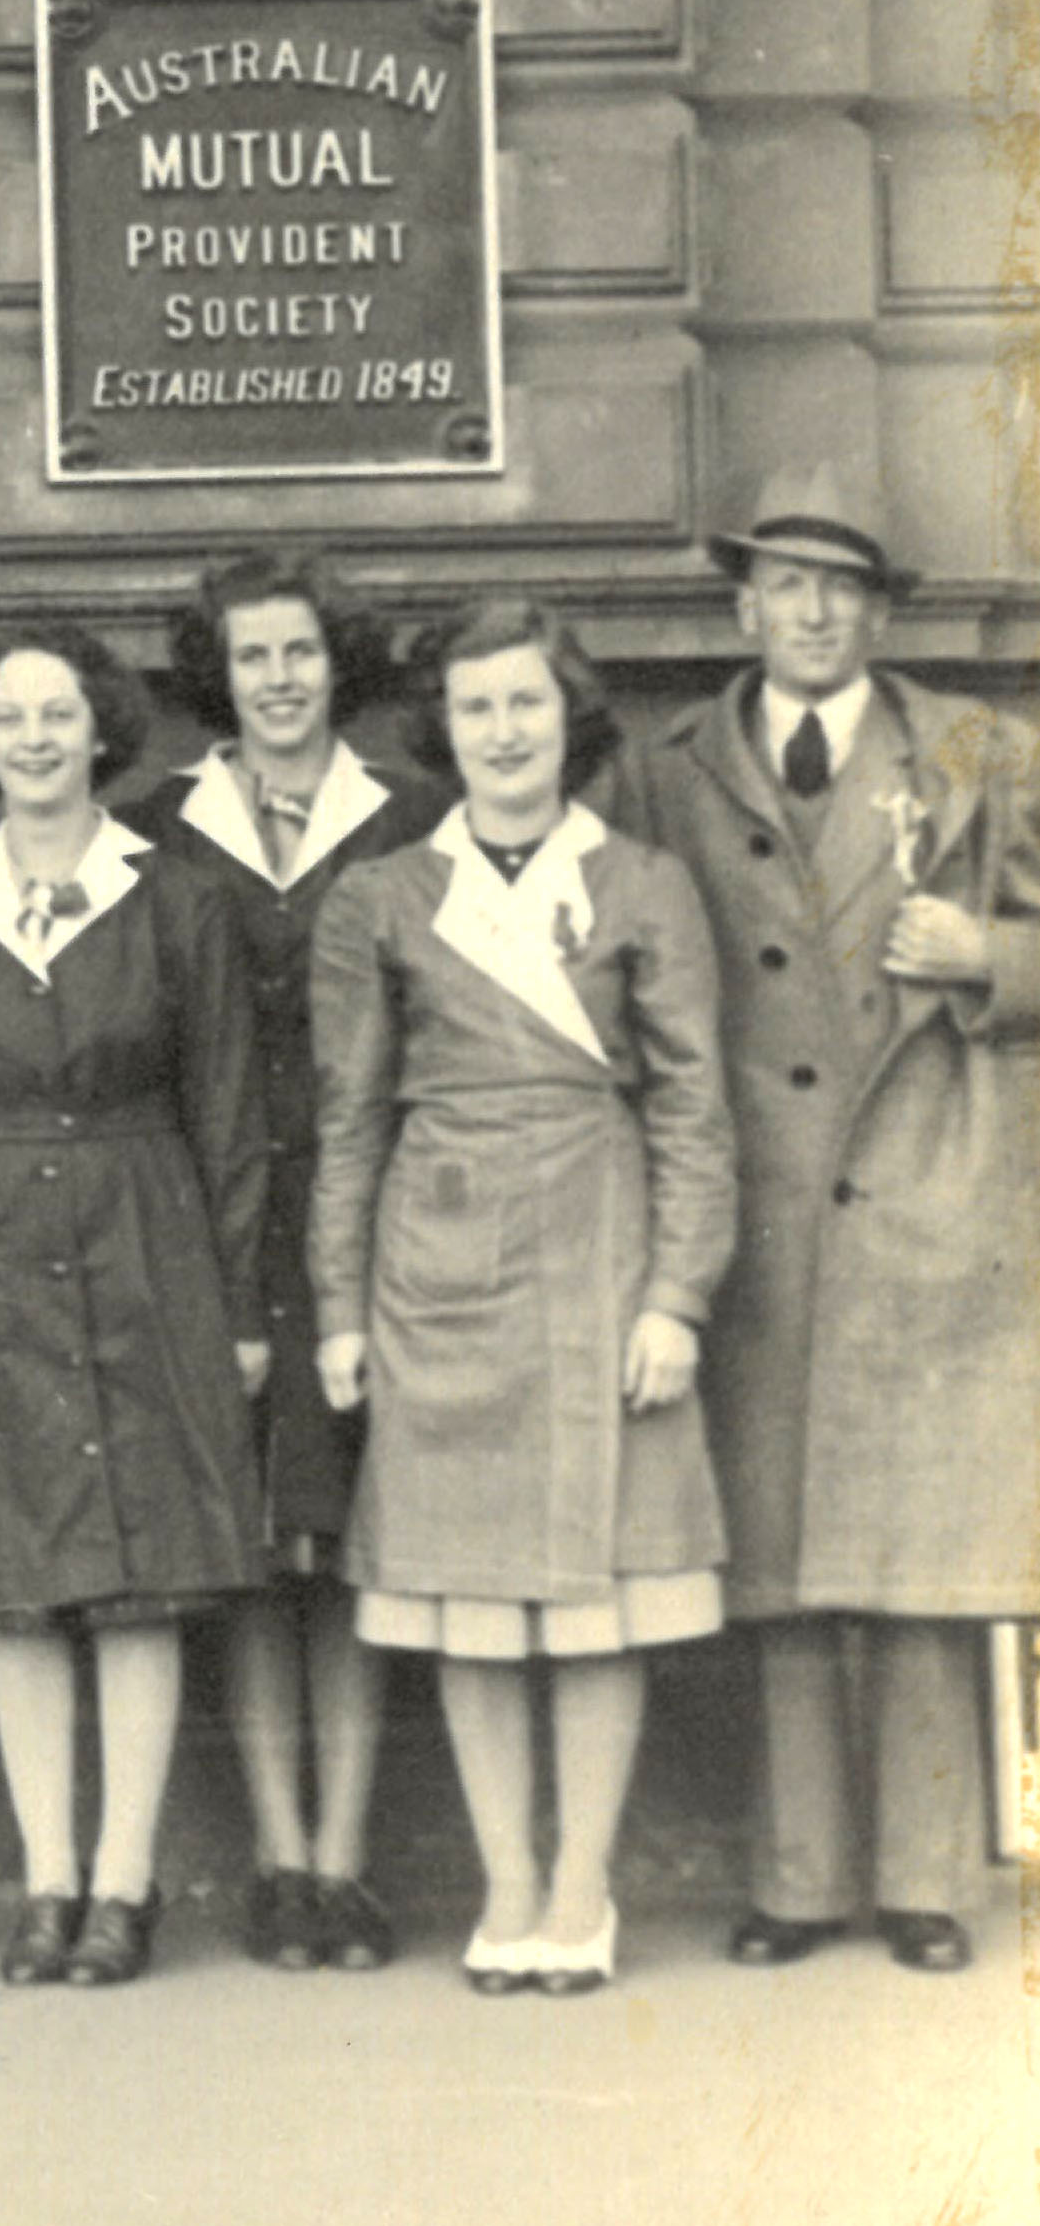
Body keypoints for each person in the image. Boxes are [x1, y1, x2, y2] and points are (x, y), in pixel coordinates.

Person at [630, 468, 1040, 1979]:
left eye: (839, 587)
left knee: (923, 1546)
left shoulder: (981, 750)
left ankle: (930, 1873)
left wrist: (988, 949)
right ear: (741, 606)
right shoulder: (666, 765)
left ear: (878, 611)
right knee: (782, 1547)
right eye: (783, 584)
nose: (810, 611)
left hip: (929, 1179)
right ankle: (800, 1878)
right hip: (754, 1191)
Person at [313, 600, 735, 1995]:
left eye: (528, 704)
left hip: (599, 1249)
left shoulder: (641, 883)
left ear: (569, 720)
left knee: (597, 1586)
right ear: (444, 729)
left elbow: (691, 1107)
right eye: (478, 706)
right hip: (435, 1266)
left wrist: (675, 1292)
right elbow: (350, 1119)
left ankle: (580, 1886)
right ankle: (505, 1880)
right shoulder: (380, 897)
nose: (502, 731)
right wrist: (337, 1304)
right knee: (470, 1594)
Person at [0, 622, 266, 1989]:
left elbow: (227, 1113)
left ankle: (125, 1881)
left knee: (139, 1578)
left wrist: (238, 1306)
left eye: (57, 713)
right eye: (7, 716)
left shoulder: (178, 903)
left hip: (142, 1238)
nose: (34, 737)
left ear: (102, 729)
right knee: (16, 1586)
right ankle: (45, 1880)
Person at [119, 554, 445, 1974]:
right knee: (254, 1546)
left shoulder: (411, 819)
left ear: (336, 664)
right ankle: (272, 1854)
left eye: (301, 653)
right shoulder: (157, 832)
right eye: (251, 657)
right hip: (216, 1213)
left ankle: (347, 1858)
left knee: (353, 1541)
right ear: (219, 673)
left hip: (368, 1212)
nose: (278, 680)